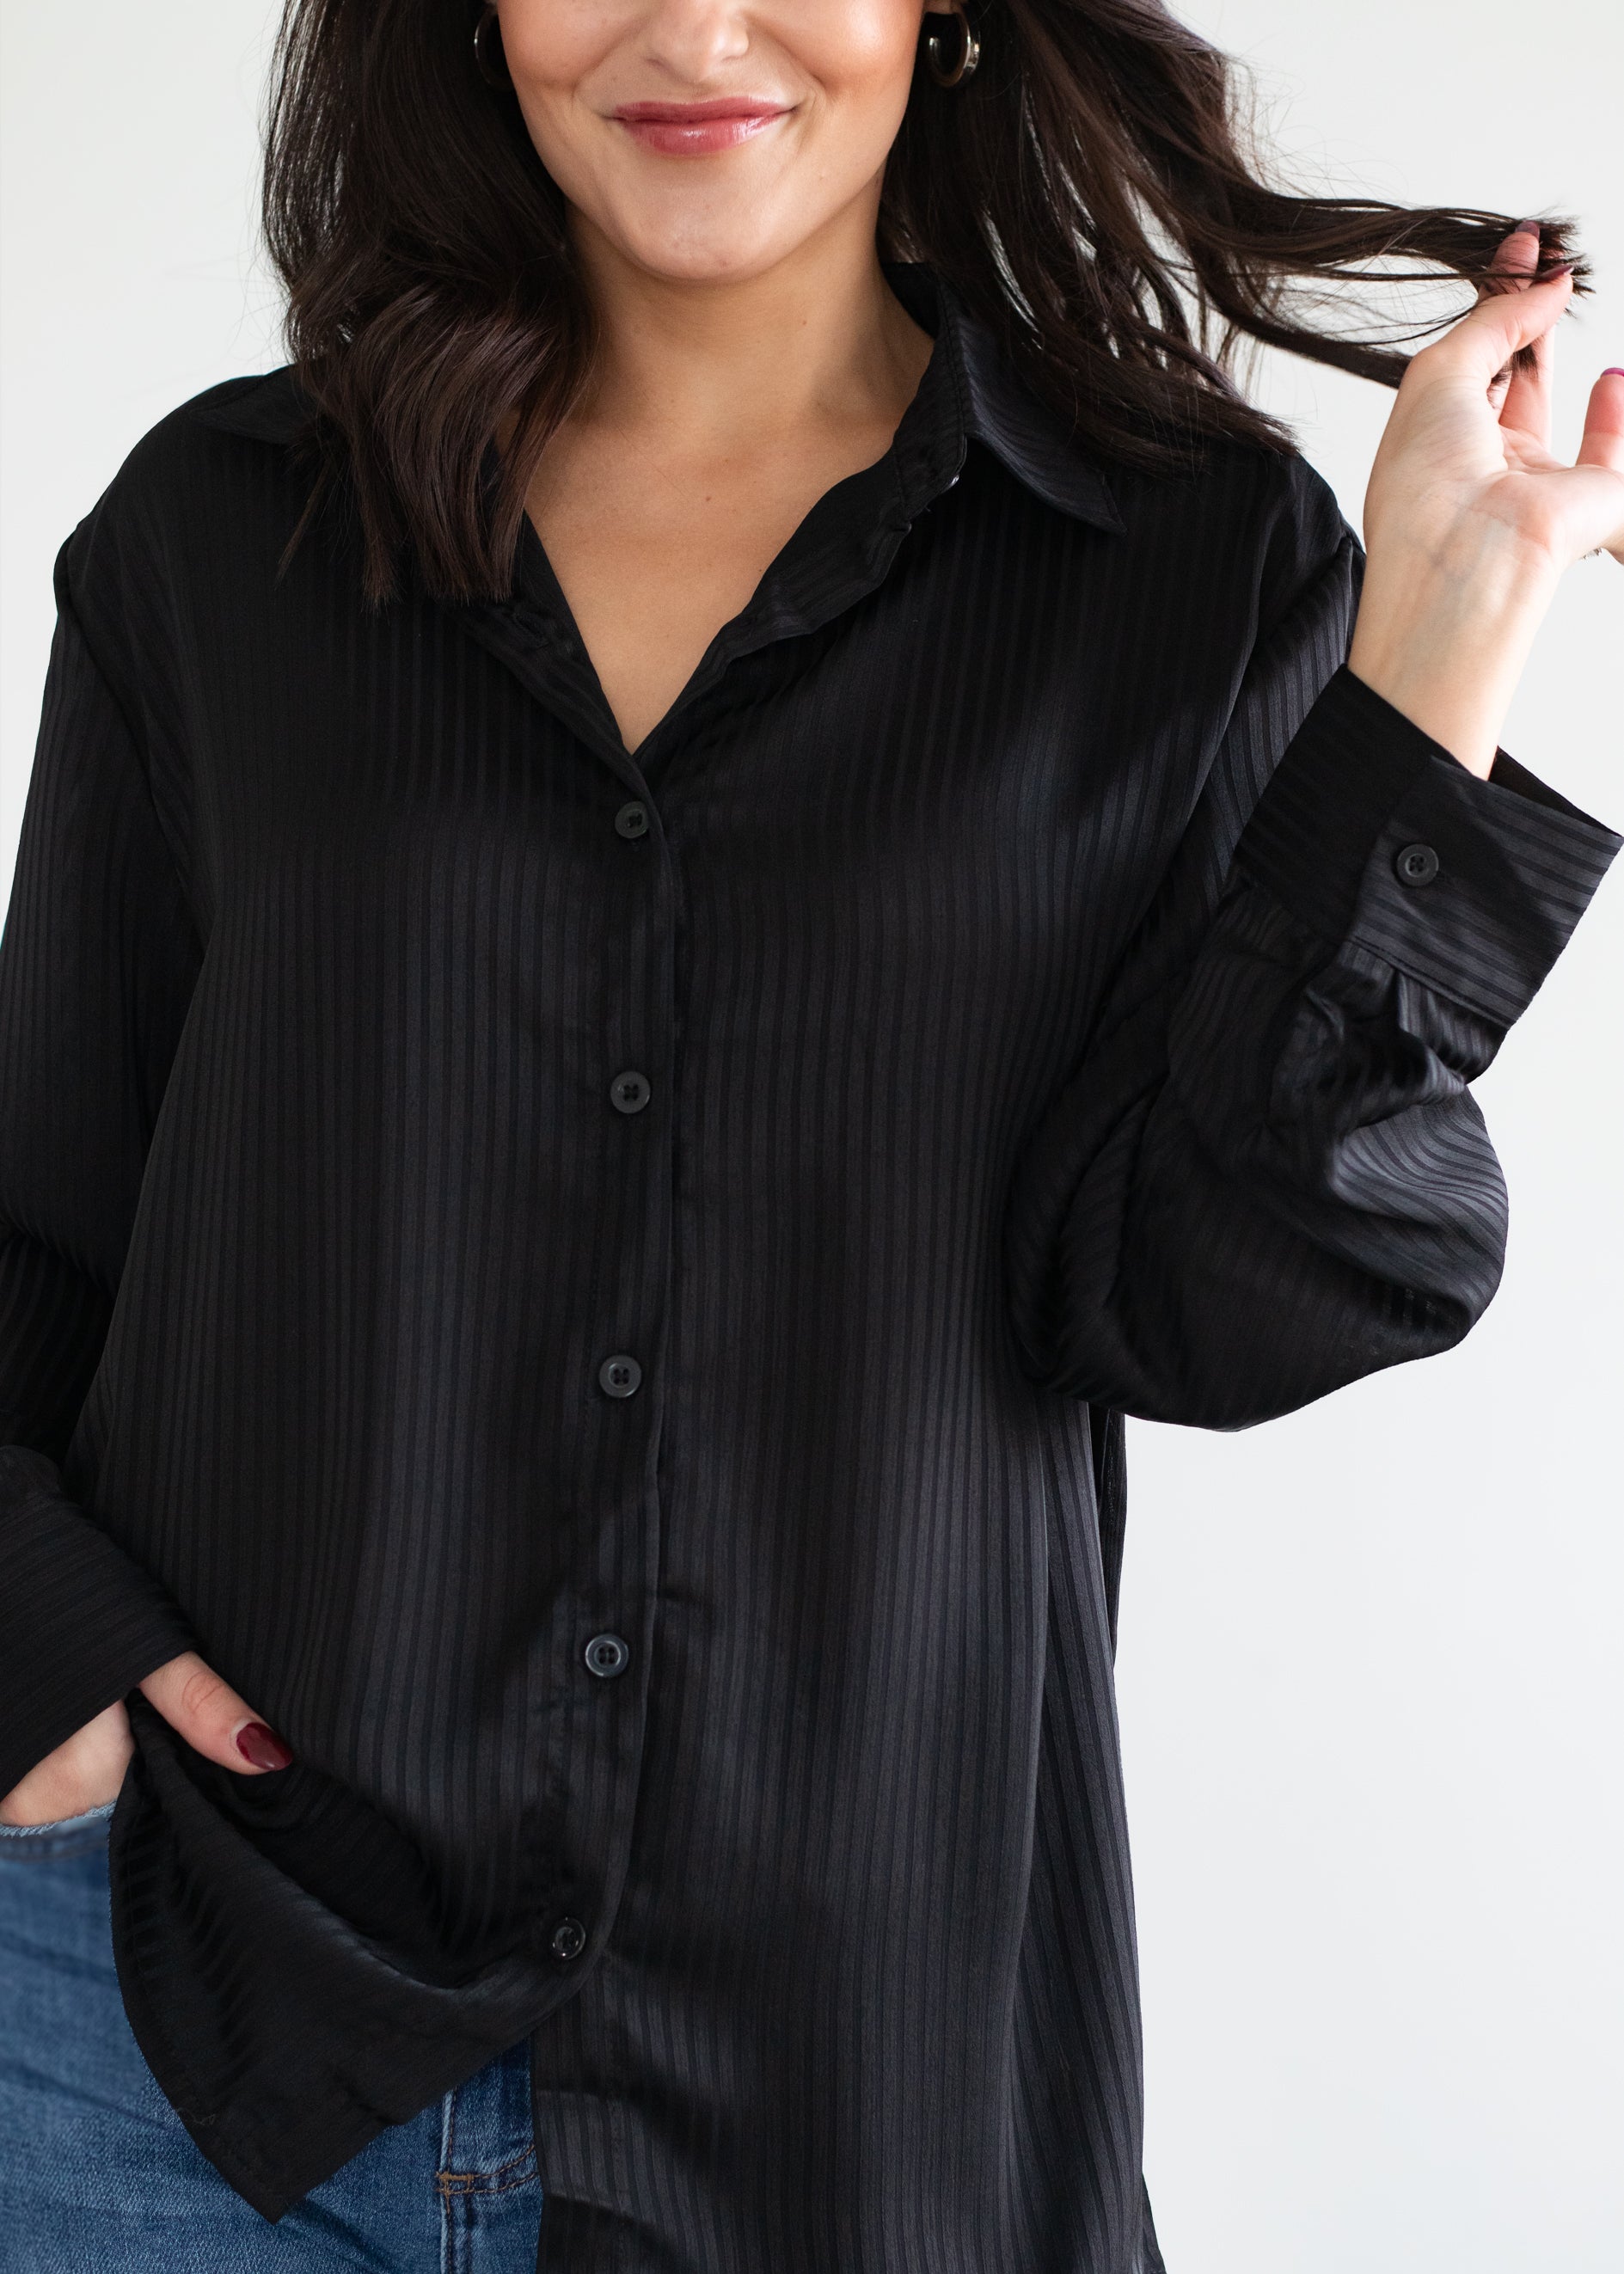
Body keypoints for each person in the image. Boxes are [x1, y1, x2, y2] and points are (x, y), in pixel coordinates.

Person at [1, 1, 1619, 2268]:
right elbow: (36, 1227)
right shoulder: (219, 540)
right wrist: (39, 1673)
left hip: (857, 2101)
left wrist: (1436, 658)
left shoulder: (1181, 567)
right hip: (188, 2045)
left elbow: (1217, 1295)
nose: (690, 26)